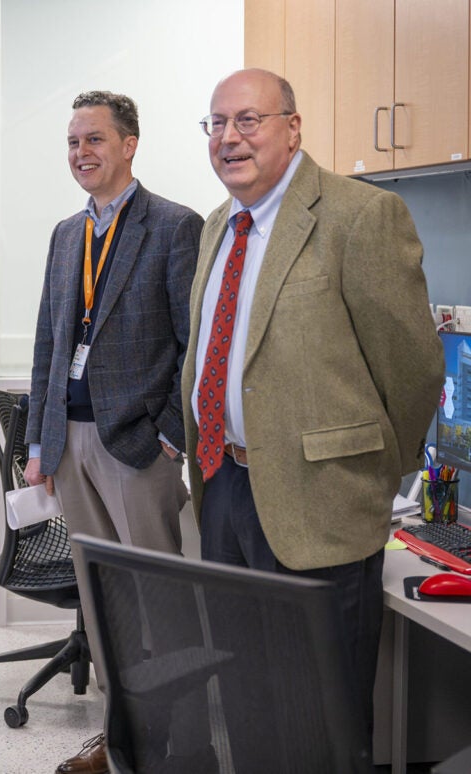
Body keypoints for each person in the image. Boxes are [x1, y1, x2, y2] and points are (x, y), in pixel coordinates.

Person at [183, 68, 444, 765]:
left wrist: (369, 478)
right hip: (224, 485)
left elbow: (413, 369)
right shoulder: (218, 226)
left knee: (320, 716)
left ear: (292, 128)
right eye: (216, 123)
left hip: (320, 502)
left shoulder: (358, 216)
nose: (229, 138)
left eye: (248, 120)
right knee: (244, 692)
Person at [22, 92, 203, 774]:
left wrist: (170, 437)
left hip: (137, 449)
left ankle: (185, 745)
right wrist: (40, 445)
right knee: (105, 610)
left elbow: (194, 348)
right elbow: (50, 340)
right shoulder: (68, 234)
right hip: (70, 445)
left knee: (163, 607)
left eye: (94, 139)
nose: (81, 153)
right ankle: (122, 740)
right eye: (72, 142)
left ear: (130, 144)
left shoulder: (173, 226)